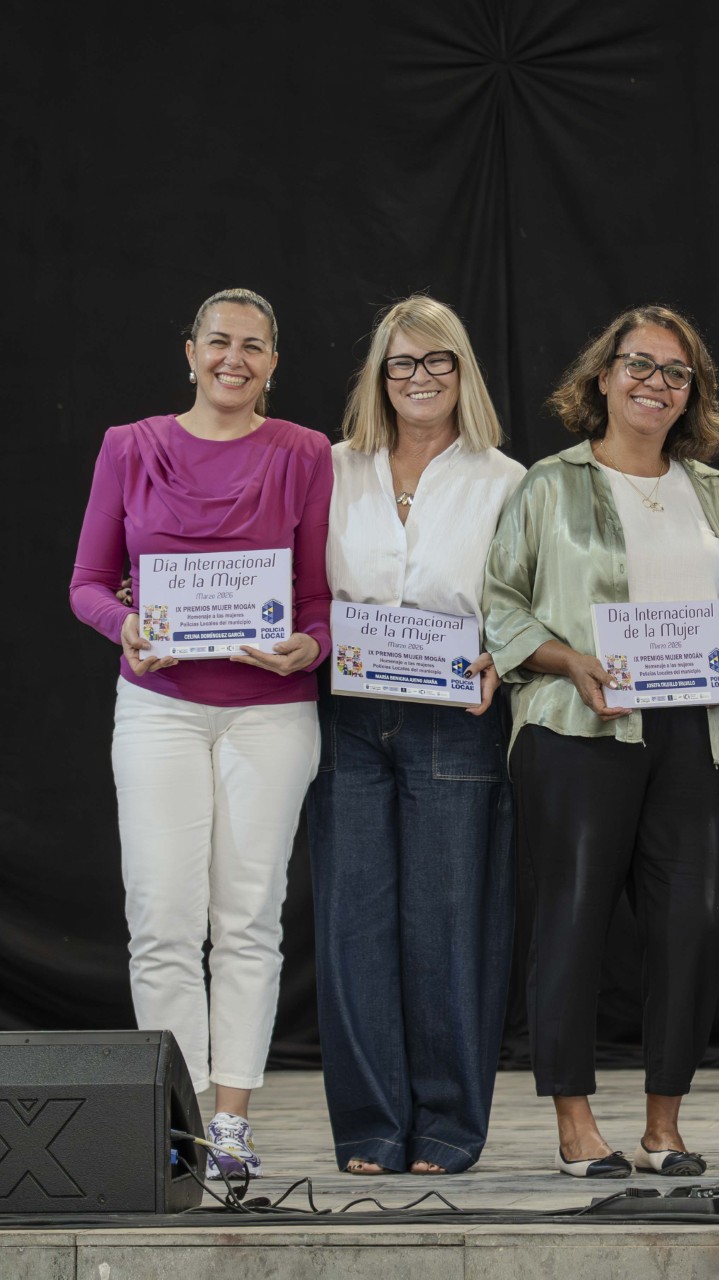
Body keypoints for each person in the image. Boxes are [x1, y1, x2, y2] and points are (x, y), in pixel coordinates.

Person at [69, 288, 331, 1176]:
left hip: (271, 715)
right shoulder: (129, 447)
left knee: (250, 918)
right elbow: (89, 582)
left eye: (253, 346)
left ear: (273, 362)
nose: (234, 358)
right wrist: (124, 627)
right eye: (219, 342)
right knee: (162, 921)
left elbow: (321, 602)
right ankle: (174, 1126)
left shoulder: (304, 454)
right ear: (189, 351)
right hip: (159, 709)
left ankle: (231, 1124)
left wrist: (312, 646)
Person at [485, 304, 719, 1178]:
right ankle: (574, 1122)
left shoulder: (710, 489)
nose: (655, 383)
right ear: (602, 376)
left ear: (690, 394)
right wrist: (566, 659)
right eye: (640, 364)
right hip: (576, 726)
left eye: (676, 372)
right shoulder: (547, 484)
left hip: (689, 732)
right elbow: (499, 604)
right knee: (574, 918)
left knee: (688, 926)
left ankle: (664, 1124)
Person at [309, 296, 525, 1175]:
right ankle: (369, 1124)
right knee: (354, 920)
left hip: (455, 719)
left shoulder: (506, 478)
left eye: (438, 362)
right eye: (403, 364)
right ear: (379, 377)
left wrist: (501, 662)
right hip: (348, 717)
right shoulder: (332, 469)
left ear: (463, 372)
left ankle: (445, 1124)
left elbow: (523, 599)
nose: (420, 378)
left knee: (448, 923)